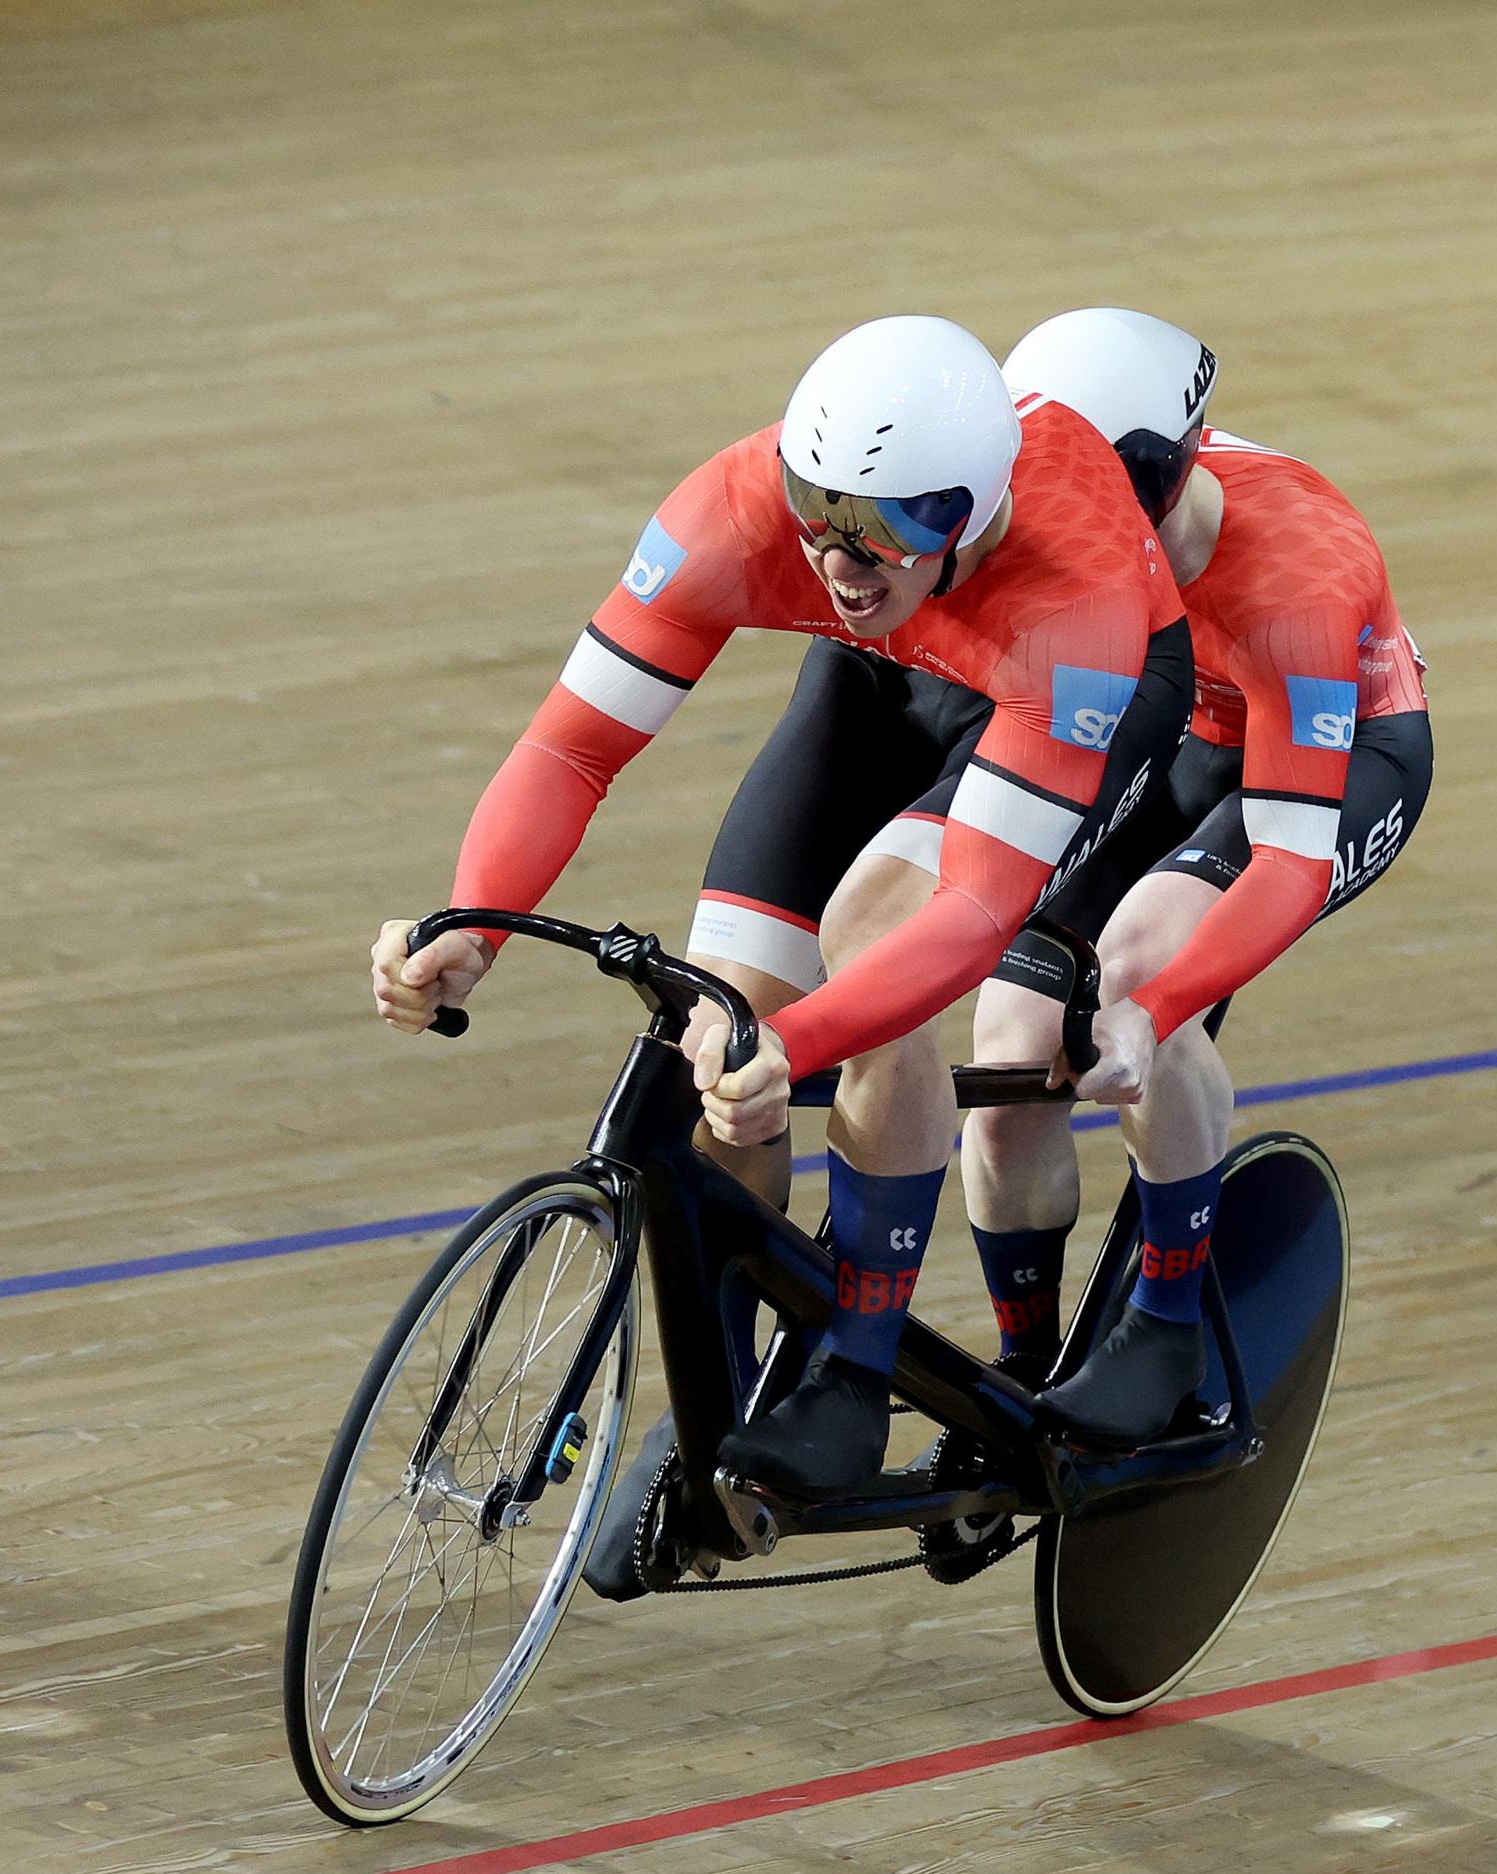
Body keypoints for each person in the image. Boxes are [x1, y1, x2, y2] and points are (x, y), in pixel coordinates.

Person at [369, 316, 1192, 1501]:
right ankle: (734, 1406)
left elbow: (964, 916)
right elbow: (573, 746)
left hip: (1062, 692)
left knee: (872, 949)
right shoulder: (747, 517)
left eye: (898, 519)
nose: (844, 557)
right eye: (821, 508)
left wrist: (801, 1043)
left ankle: (852, 1371)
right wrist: (472, 923)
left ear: (978, 503)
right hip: (895, 666)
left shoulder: (1081, 600)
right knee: (724, 1015)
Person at [952, 308, 1437, 1441]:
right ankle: (1025, 1375)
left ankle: (1167, 1327)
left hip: (1332, 754)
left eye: (1131, 502)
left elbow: (1282, 864)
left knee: (1137, 981)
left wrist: (1158, 1012)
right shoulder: (1056, 516)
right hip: (1181, 734)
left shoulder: (1298, 575)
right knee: (1012, 1035)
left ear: (1177, 472)